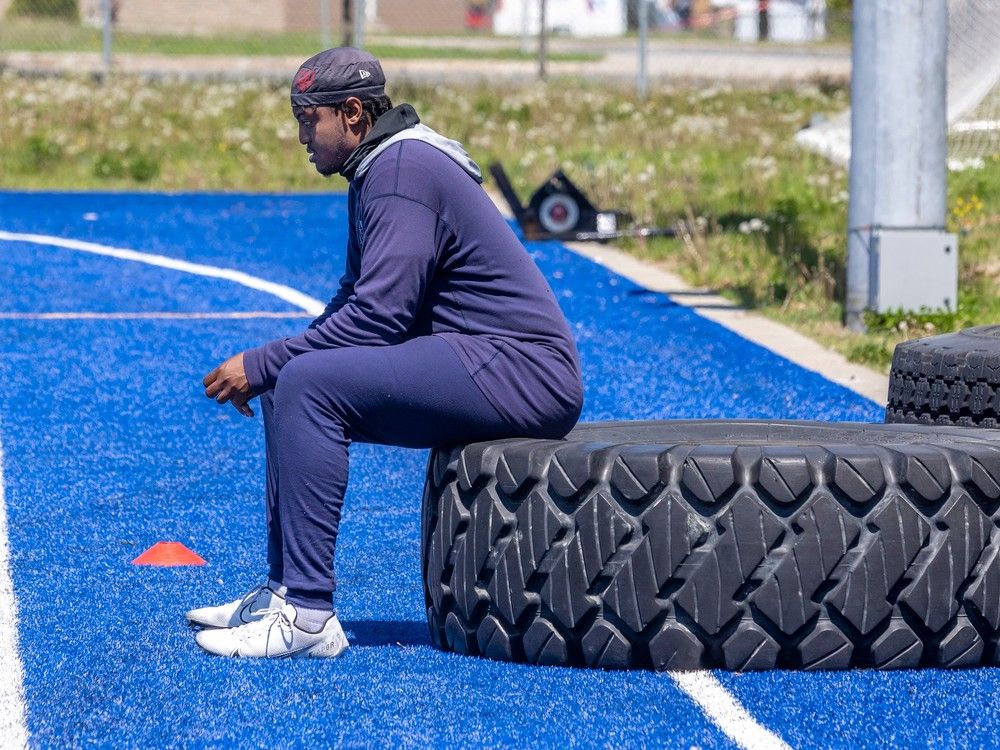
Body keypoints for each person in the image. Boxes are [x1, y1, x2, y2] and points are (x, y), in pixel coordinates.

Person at [186, 47, 584, 659]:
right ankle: (286, 589)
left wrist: (266, 362)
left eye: (306, 118)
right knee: (291, 380)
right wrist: (274, 366)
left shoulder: (401, 171)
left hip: (522, 369)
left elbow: (380, 317)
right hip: (480, 357)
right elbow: (356, 299)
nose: (300, 137)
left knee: (302, 383)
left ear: (350, 113)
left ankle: (309, 618)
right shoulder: (380, 165)